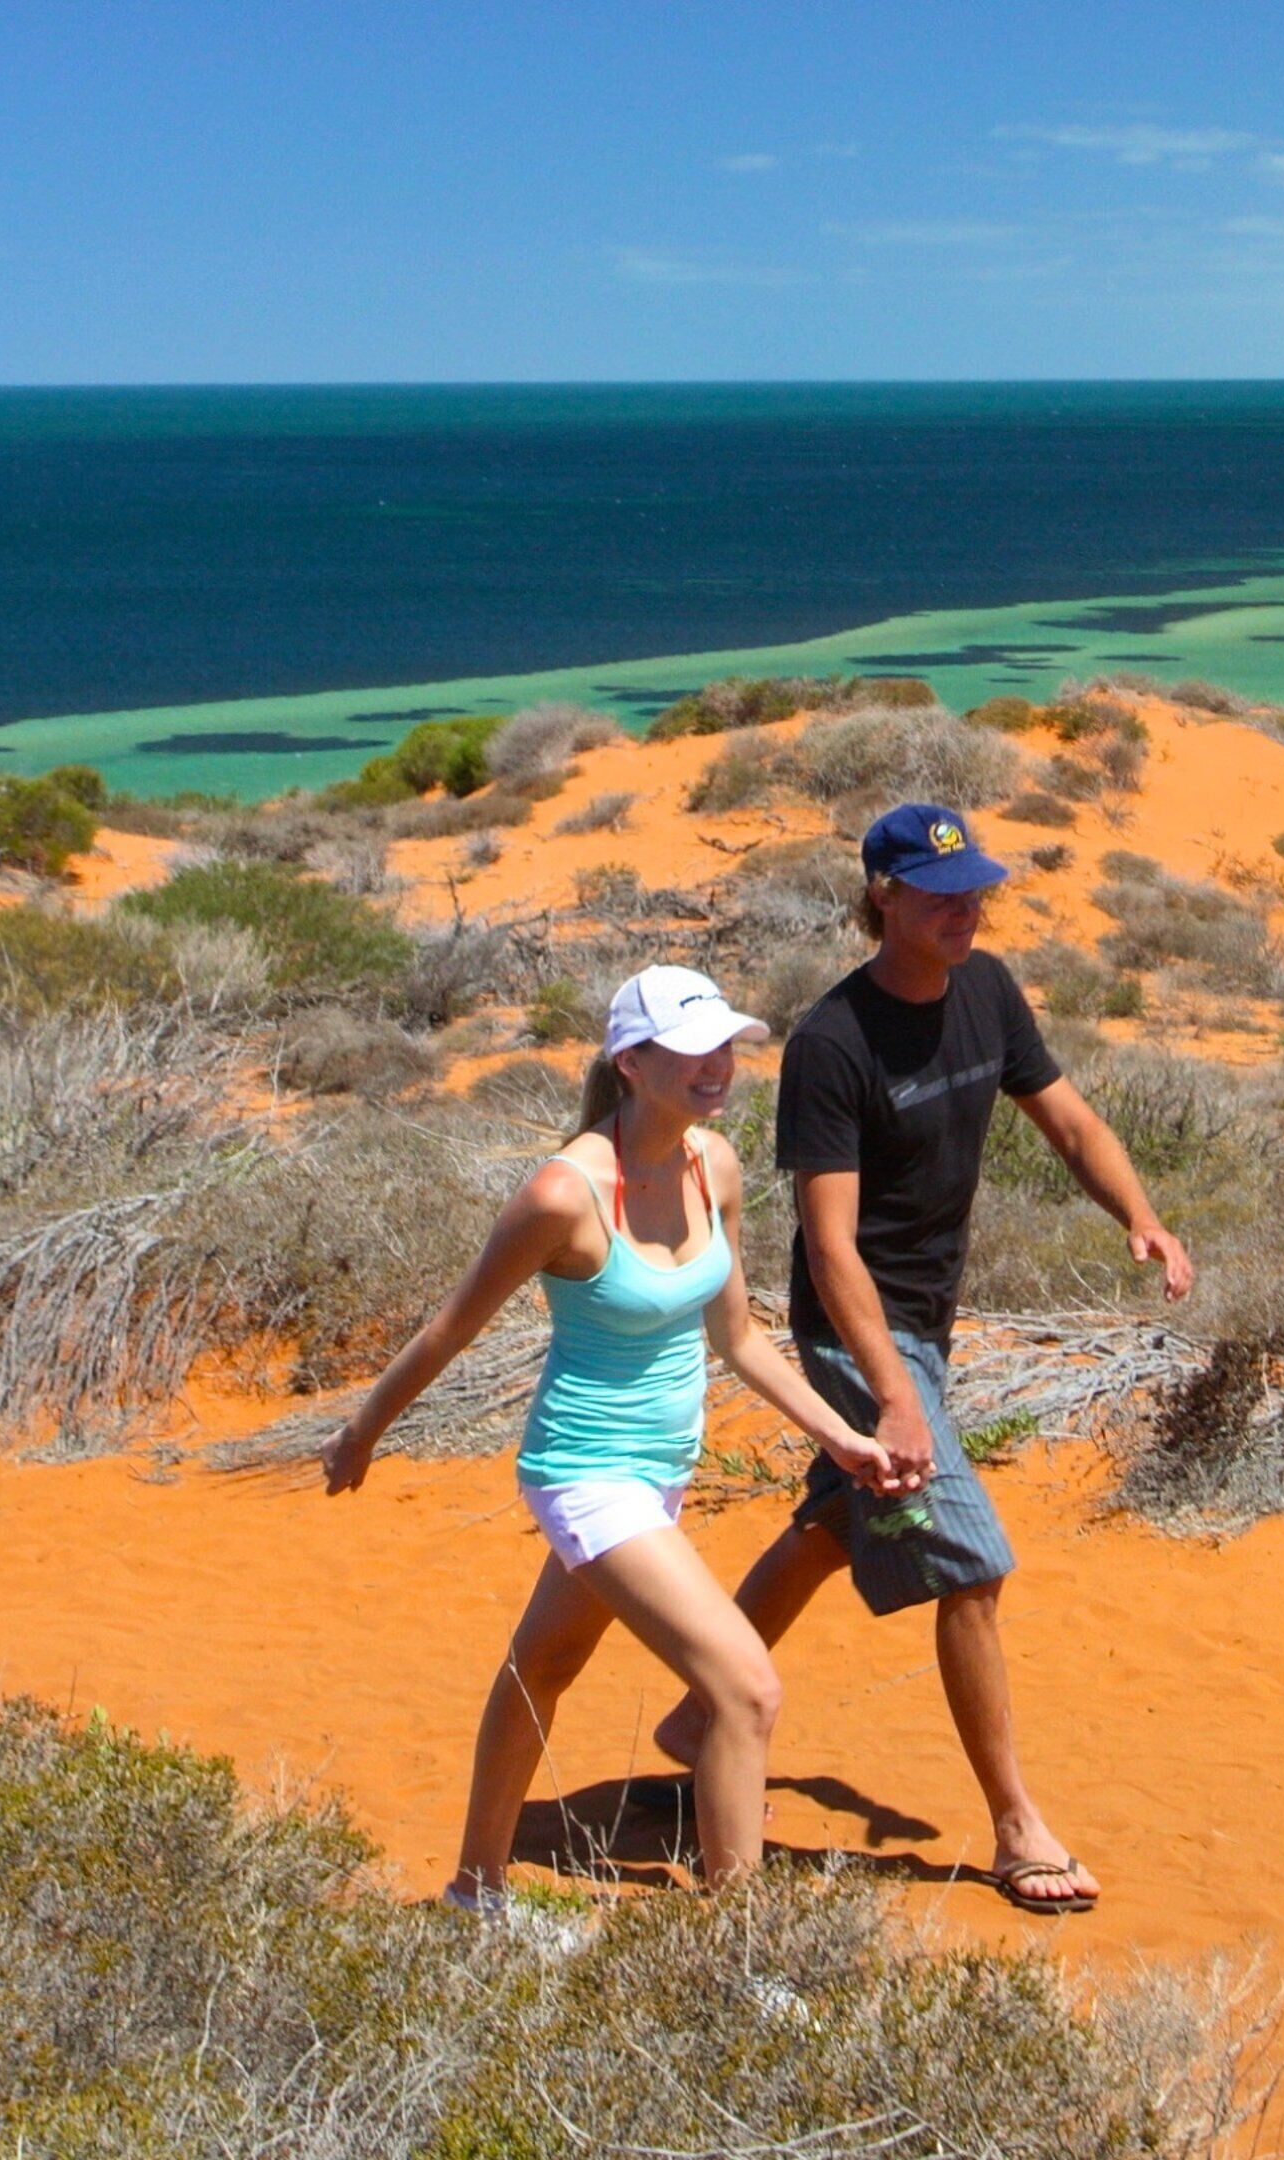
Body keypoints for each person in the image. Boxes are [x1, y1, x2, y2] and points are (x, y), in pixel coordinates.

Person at [653, 802, 1193, 1916]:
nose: (967, 909)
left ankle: (701, 1709)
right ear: (883, 899)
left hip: (929, 1323)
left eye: (976, 890)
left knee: (840, 1519)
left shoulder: (987, 990)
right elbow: (831, 1247)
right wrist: (893, 1395)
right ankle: (1014, 1825)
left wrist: (1139, 1214)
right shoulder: (832, 1045)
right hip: (856, 1331)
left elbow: (1071, 1120)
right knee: (973, 1565)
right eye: (942, 894)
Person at [324, 965, 899, 1909]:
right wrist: (362, 1432)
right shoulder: (565, 1195)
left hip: (661, 1472)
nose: (716, 1065)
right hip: (585, 1473)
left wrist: (841, 1435)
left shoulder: (714, 1165)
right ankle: (741, 1958)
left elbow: (739, 1336)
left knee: (544, 1666)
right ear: (631, 1063)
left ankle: (474, 1891)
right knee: (744, 1691)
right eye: (689, 1051)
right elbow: (450, 1326)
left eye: (723, 1045)